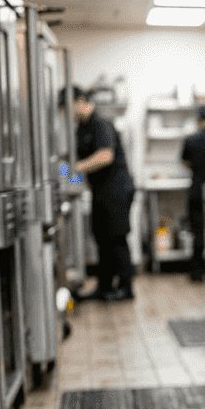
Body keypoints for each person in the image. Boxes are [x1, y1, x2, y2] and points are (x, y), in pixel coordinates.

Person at [72, 86, 137, 301]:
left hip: (116, 189)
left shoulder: (101, 123)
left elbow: (105, 156)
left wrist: (77, 168)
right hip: (100, 191)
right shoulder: (80, 128)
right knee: (101, 237)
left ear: (81, 101)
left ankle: (126, 289)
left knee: (116, 237)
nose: (68, 113)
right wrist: (67, 176)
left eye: (68, 107)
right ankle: (105, 287)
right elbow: (71, 160)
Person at [180, 105, 205, 282]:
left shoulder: (191, 139)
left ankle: (197, 272)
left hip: (197, 188)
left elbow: (185, 162)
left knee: (198, 231)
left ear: (198, 121)